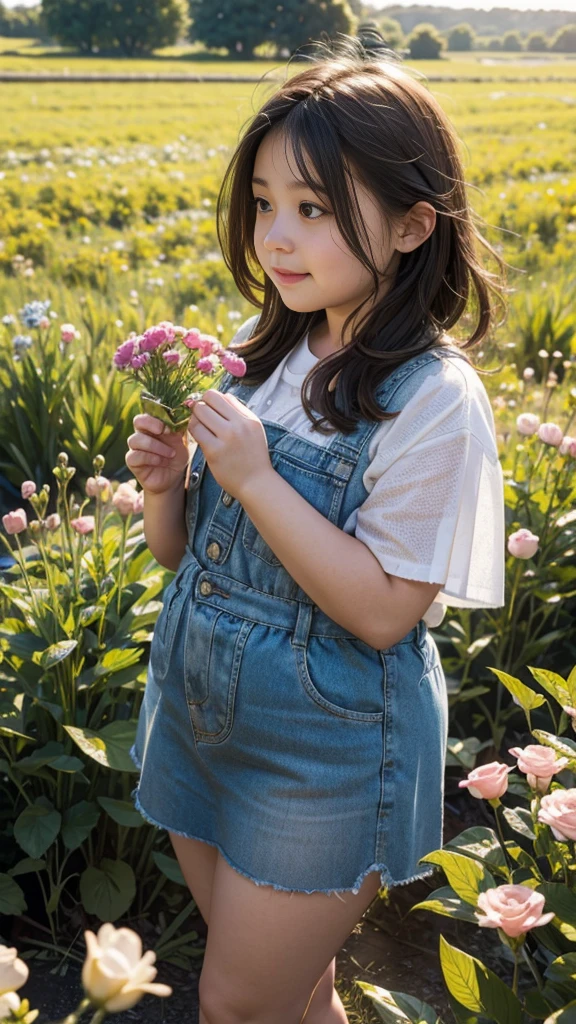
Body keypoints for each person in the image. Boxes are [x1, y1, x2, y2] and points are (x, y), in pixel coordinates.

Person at [125, 32, 506, 1024]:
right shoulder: (272, 353)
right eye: (263, 205)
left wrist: (251, 478)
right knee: (296, 992)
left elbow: (384, 612)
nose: (276, 239)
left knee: (237, 1004)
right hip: (202, 714)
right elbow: (187, 563)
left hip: (323, 752)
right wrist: (171, 487)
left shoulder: (432, 401)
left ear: (416, 224)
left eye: (315, 209)